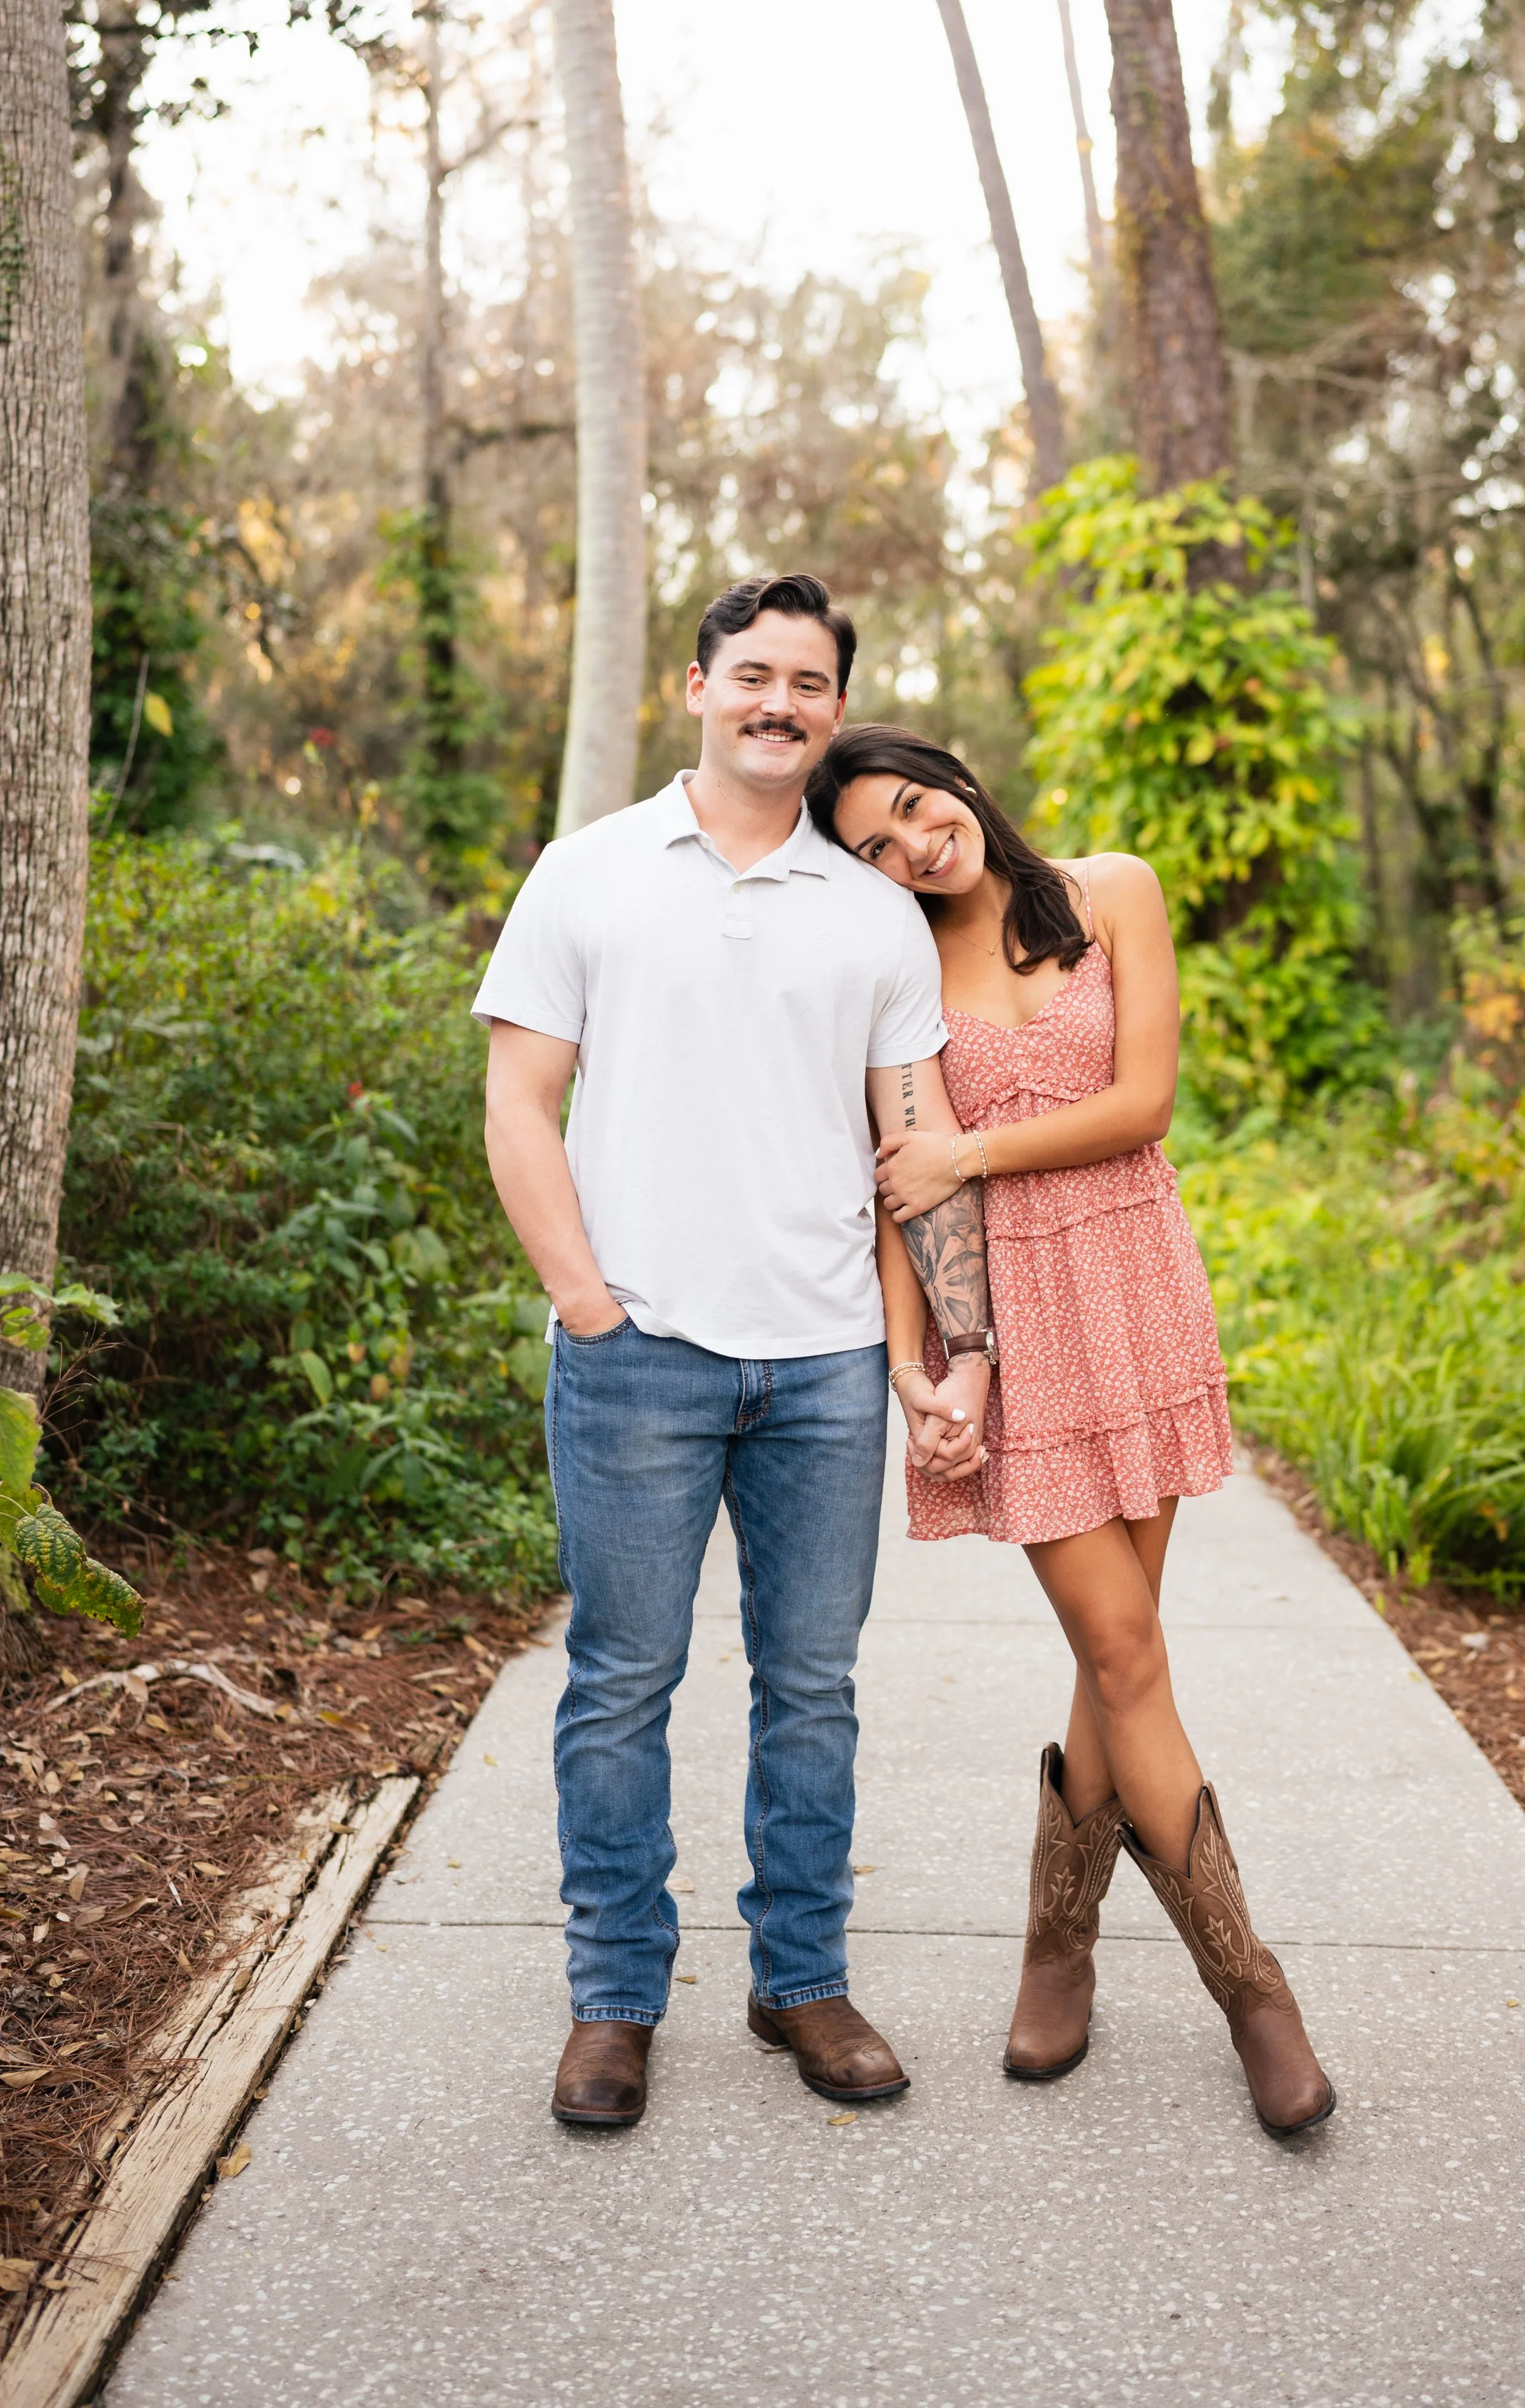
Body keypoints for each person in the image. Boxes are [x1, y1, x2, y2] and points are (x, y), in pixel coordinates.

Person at [475, 580, 992, 2131]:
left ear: (835, 710)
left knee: (811, 1685)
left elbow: (919, 1147)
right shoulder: (591, 875)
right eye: (752, 673)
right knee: (622, 1683)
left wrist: (946, 1351)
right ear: (697, 684)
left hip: (826, 1363)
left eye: (809, 682)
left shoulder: (873, 908)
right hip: (638, 1354)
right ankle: (615, 2001)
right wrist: (585, 1304)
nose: (779, 701)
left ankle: (801, 1980)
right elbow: (517, 1104)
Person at [805, 724, 1335, 2141]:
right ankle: (1253, 1991)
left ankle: (1059, 1939)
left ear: (960, 778)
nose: (915, 846)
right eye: (875, 846)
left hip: (1137, 1292)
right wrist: (918, 1367)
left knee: (1122, 1652)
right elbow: (897, 1190)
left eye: (917, 808)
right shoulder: (898, 976)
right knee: (1119, 1649)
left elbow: (1140, 1103)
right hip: (1024, 1334)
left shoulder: (1113, 891)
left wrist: (969, 1147)